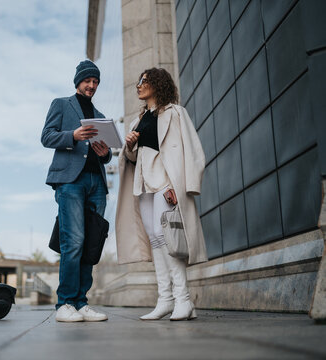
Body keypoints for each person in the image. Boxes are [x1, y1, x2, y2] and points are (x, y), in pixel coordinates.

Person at [115, 67, 207, 321]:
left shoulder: (176, 113)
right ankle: (165, 299)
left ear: (158, 84)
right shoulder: (138, 119)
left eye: (145, 81)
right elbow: (135, 158)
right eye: (139, 81)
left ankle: (183, 299)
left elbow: (194, 151)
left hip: (167, 184)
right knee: (156, 239)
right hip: (143, 185)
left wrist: (186, 185)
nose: (139, 85)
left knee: (168, 239)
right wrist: (130, 146)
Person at [41, 60, 111, 322]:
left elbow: (104, 155)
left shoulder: (101, 116)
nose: (92, 85)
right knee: (74, 242)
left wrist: (105, 155)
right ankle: (65, 304)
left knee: (91, 243)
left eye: (95, 82)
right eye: (88, 81)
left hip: (96, 184)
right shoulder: (61, 104)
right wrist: (73, 135)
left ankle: (81, 303)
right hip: (70, 182)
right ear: (78, 81)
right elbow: (47, 136)